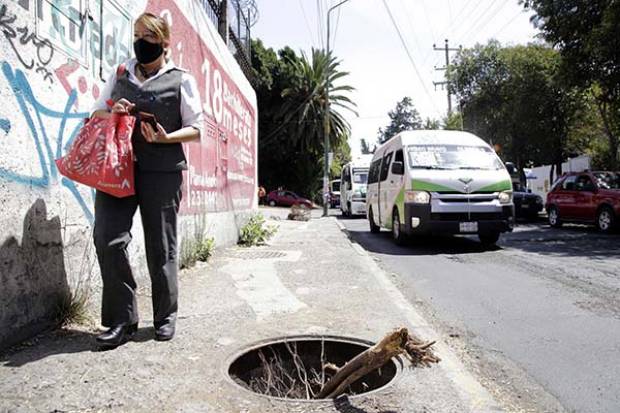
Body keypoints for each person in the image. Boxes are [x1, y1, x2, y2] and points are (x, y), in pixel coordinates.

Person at [90, 12, 203, 348]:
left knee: (161, 246)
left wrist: (166, 138)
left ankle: (164, 317)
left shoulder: (181, 79)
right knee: (108, 238)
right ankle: (122, 319)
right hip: (118, 169)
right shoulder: (121, 72)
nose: (141, 42)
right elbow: (96, 111)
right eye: (137, 35)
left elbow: (196, 129)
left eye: (149, 37)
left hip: (162, 172)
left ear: (164, 42)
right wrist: (114, 112)